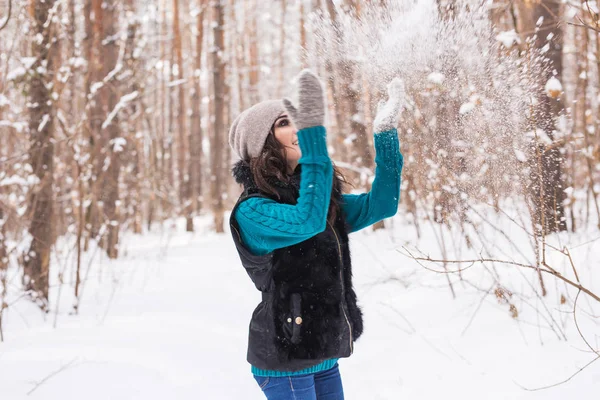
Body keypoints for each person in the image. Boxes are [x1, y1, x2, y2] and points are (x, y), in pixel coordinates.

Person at [228, 70, 405, 400]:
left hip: (321, 349)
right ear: (261, 141)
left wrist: (385, 135)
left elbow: (382, 205)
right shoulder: (252, 211)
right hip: (285, 356)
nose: (297, 128)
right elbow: (306, 221)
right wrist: (314, 138)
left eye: (298, 121)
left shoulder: (320, 200)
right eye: (285, 122)